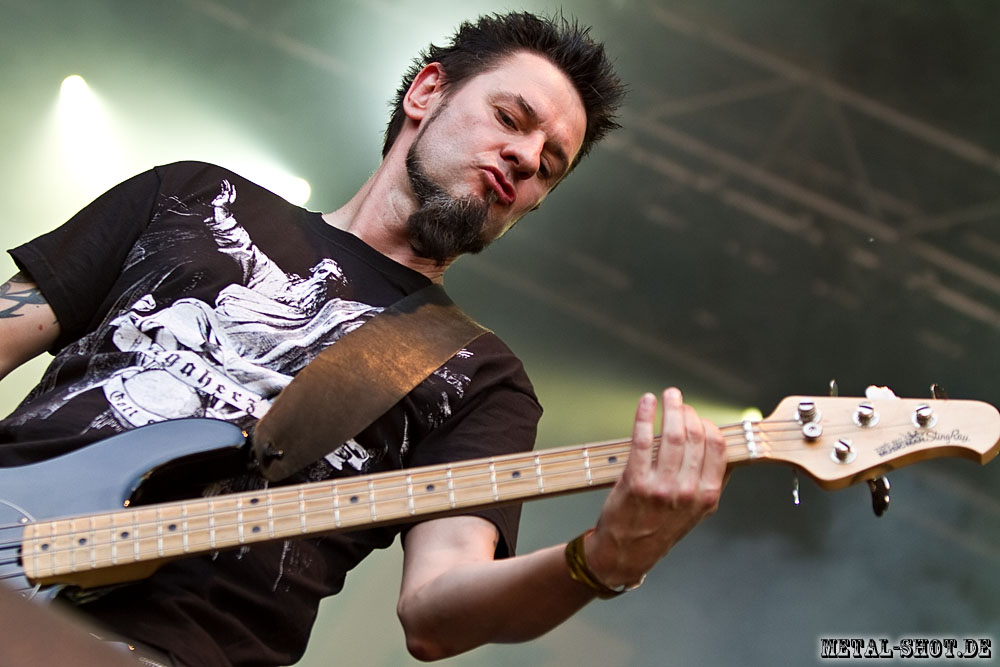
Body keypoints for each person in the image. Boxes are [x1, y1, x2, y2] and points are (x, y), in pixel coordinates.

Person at [0, 11, 726, 667]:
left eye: (550, 165)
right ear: (427, 92)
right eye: (511, 117)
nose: (526, 157)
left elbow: (435, 614)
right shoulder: (192, 195)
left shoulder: (481, 378)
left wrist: (600, 560)